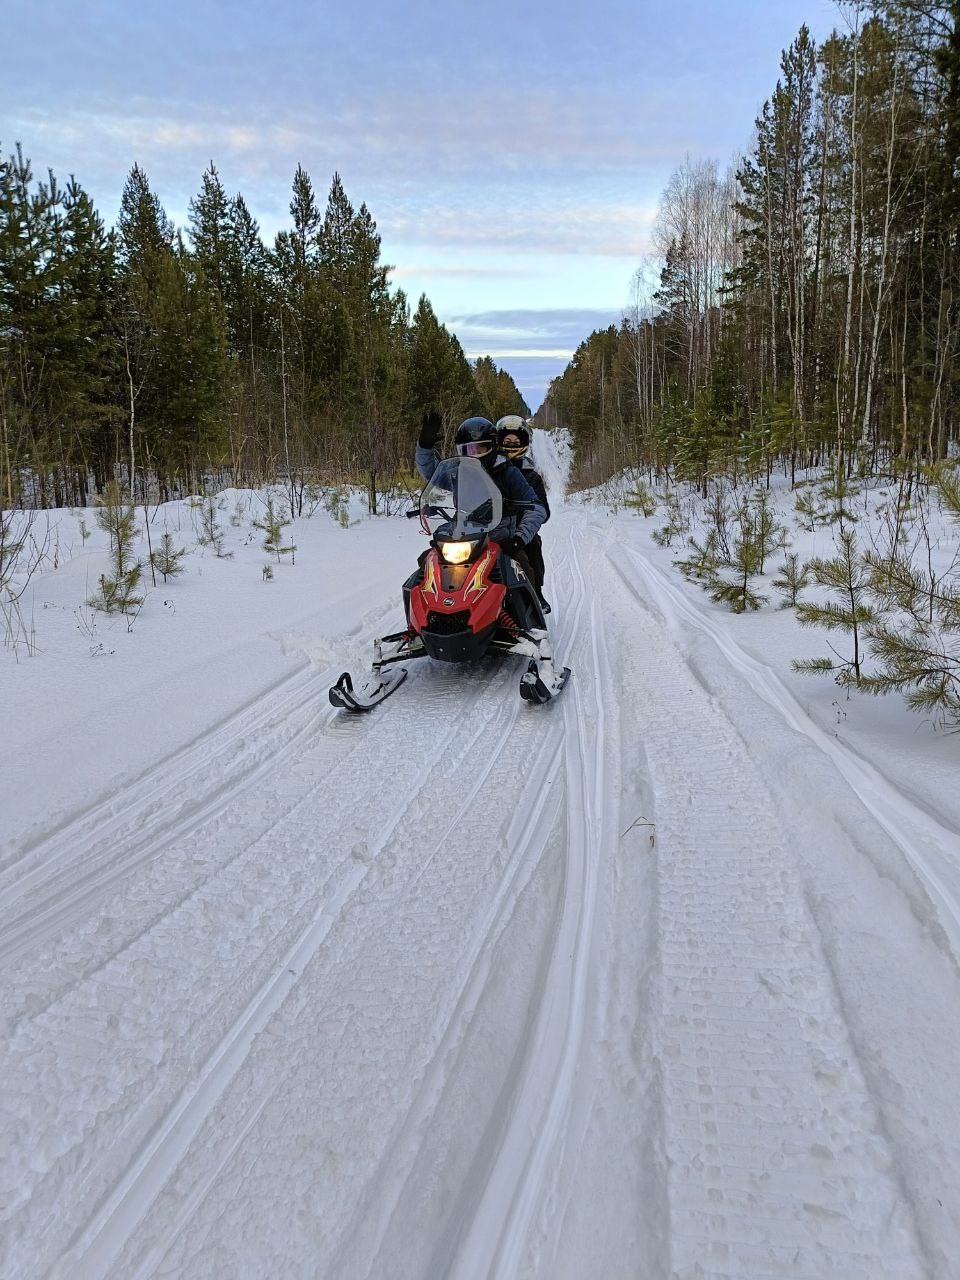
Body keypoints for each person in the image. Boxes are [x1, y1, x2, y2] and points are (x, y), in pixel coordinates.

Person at [416, 410, 547, 594]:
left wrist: (518, 539)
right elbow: (432, 473)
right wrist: (425, 446)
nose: (474, 454)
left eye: (480, 449)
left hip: (501, 541)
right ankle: (420, 610)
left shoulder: (507, 472)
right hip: (464, 538)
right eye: (468, 450)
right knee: (425, 567)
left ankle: (533, 607)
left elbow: (536, 507)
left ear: (492, 446)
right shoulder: (459, 471)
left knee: (521, 570)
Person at [495, 415, 551, 612]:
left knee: (533, 544)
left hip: (519, 530)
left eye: (516, 441)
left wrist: (521, 534)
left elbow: (542, 509)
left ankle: (536, 594)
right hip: (491, 527)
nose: (511, 445)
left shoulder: (531, 476)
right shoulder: (487, 469)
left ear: (524, 443)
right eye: (507, 440)